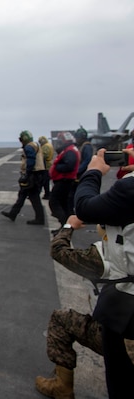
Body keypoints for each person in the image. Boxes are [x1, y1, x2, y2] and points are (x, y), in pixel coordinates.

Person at [74, 147, 134, 398]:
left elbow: (84, 207)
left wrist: (93, 172)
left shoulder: (128, 189)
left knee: (122, 384)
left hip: (127, 307)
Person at [36, 214, 105, 398]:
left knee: (60, 320)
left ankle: (62, 387)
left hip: (118, 335)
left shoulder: (105, 255)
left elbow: (58, 250)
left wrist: (69, 226)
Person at [1, 130, 45, 225]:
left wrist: (27, 175)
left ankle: (40, 218)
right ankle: (13, 213)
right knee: (22, 195)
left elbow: (31, 161)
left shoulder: (29, 147)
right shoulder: (36, 144)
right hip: (37, 174)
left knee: (34, 197)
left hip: (32, 175)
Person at [49, 131, 80, 230]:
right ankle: (66, 226)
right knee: (64, 204)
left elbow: (69, 165)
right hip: (65, 180)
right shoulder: (71, 149)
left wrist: (57, 167)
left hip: (64, 180)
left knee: (54, 202)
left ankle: (63, 225)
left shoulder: (70, 151)